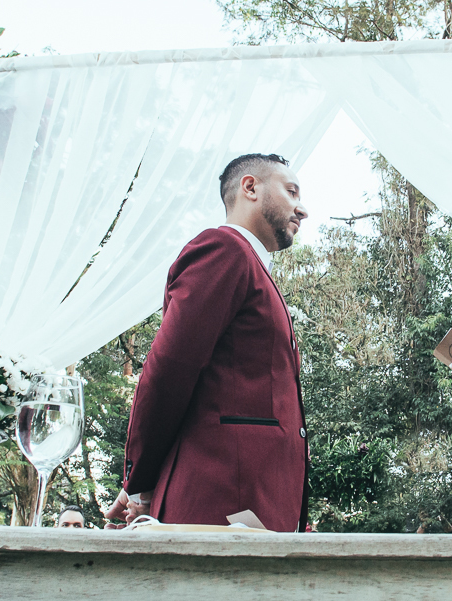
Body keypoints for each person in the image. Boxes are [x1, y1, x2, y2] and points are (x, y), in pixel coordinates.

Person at [105, 153, 310, 532]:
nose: (303, 209)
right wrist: (140, 481)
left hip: (258, 513)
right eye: (292, 192)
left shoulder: (253, 267)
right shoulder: (224, 249)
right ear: (250, 187)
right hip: (219, 507)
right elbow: (170, 369)